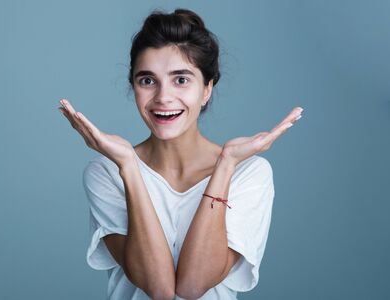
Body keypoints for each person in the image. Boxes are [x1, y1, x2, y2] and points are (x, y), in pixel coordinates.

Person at [58, 8, 303, 300]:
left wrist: (225, 164)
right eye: (147, 80)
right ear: (133, 86)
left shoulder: (248, 173)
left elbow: (192, 285)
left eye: (181, 80)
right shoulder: (107, 172)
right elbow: (159, 287)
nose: (163, 97)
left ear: (207, 89)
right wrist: (128, 166)